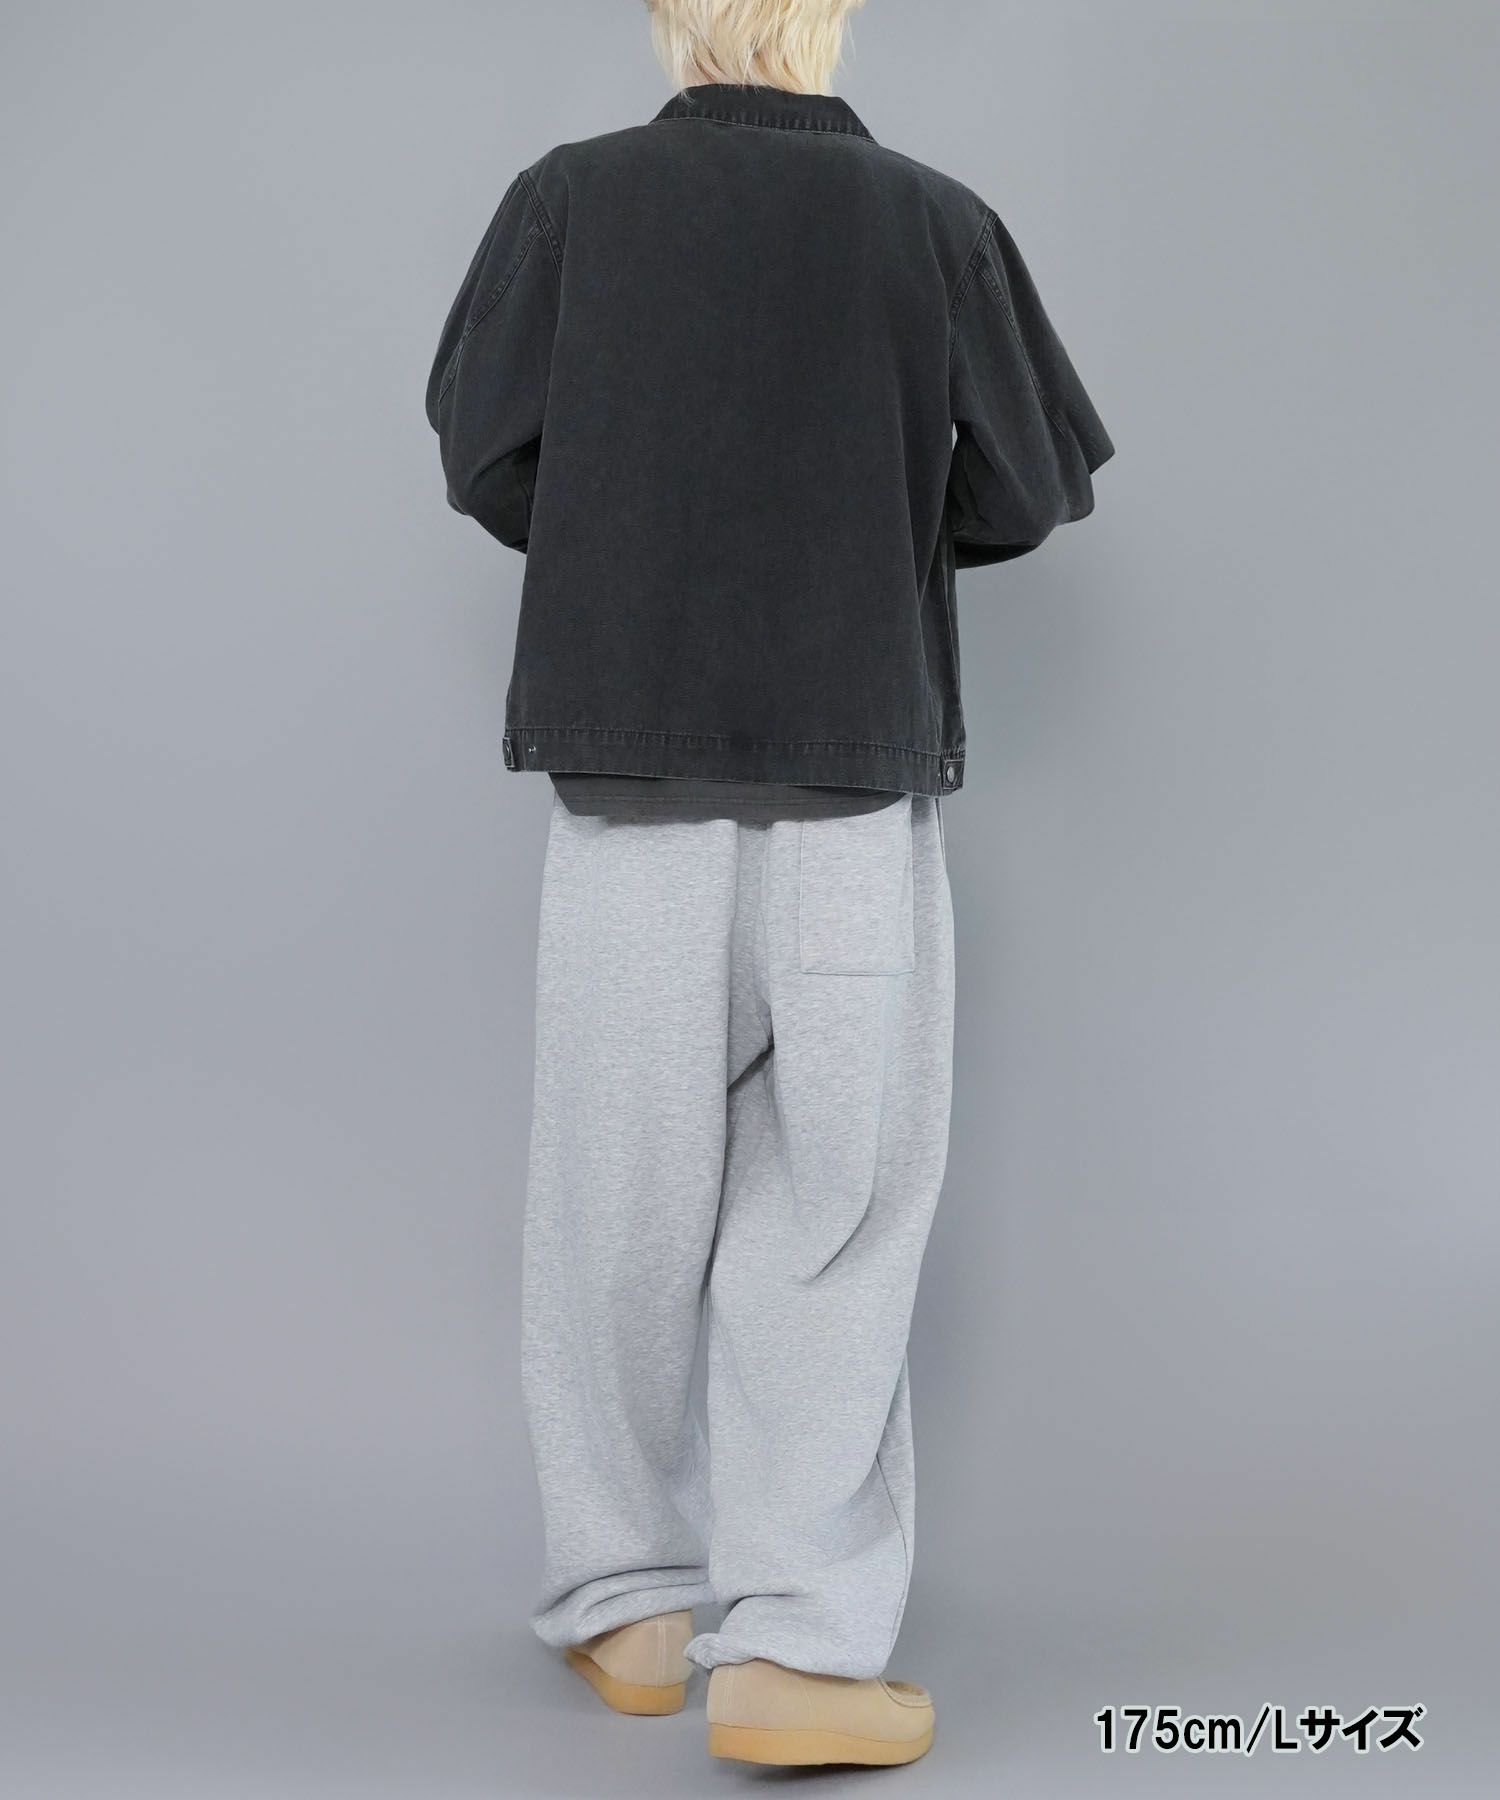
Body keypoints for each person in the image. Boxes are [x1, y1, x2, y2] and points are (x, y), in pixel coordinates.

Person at [426, 0, 1112, 1770]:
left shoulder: (567, 200)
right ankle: (799, 1641)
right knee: (838, 1214)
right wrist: (869, 520)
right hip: (849, 795)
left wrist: (637, 521)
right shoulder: (936, 221)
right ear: (832, 20)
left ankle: (631, 1608)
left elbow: (484, 453)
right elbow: (1032, 481)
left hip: (629, 792)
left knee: (613, 1211)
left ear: (673, 24)